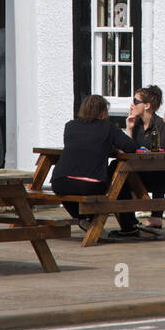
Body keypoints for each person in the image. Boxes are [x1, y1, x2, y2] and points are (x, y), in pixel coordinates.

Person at [49, 94, 143, 239]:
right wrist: (112, 144)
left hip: (60, 182)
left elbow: (82, 144)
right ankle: (125, 225)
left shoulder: (70, 126)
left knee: (69, 189)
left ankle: (85, 219)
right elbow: (131, 147)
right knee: (118, 169)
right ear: (103, 112)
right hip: (90, 184)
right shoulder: (107, 127)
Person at [124, 85, 165, 236]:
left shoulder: (160, 125)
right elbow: (128, 149)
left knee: (158, 171)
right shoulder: (135, 124)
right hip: (140, 171)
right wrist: (129, 129)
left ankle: (157, 217)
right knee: (120, 173)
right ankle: (128, 221)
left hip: (158, 173)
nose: (132, 104)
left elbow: (162, 152)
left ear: (147, 105)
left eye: (135, 101)